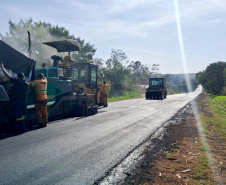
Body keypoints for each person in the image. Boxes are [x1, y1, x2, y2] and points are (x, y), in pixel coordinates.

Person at [0, 61, 29, 132]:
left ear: (18, 77)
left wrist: (2, 68)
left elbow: (8, 76)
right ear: (23, 77)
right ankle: (23, 127)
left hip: (17, 101)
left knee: (19, 115)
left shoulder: (17, 82)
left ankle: (21, 128)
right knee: (23, 115)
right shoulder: (27, 84)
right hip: (24, 101)